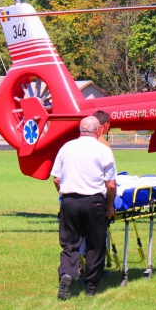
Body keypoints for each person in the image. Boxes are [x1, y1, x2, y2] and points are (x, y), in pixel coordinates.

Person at [52, 116, 117, 300]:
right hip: (93, 202)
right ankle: (90, 287)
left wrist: (64, 195)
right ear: (98, 131)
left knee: (69, 245)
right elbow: (111, 184)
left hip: (69, 201)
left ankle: (66, 273)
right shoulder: (103, 150)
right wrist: (110, 205)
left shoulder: (66, 148)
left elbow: (56, 178)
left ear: (80, 130)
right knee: (95, 245)